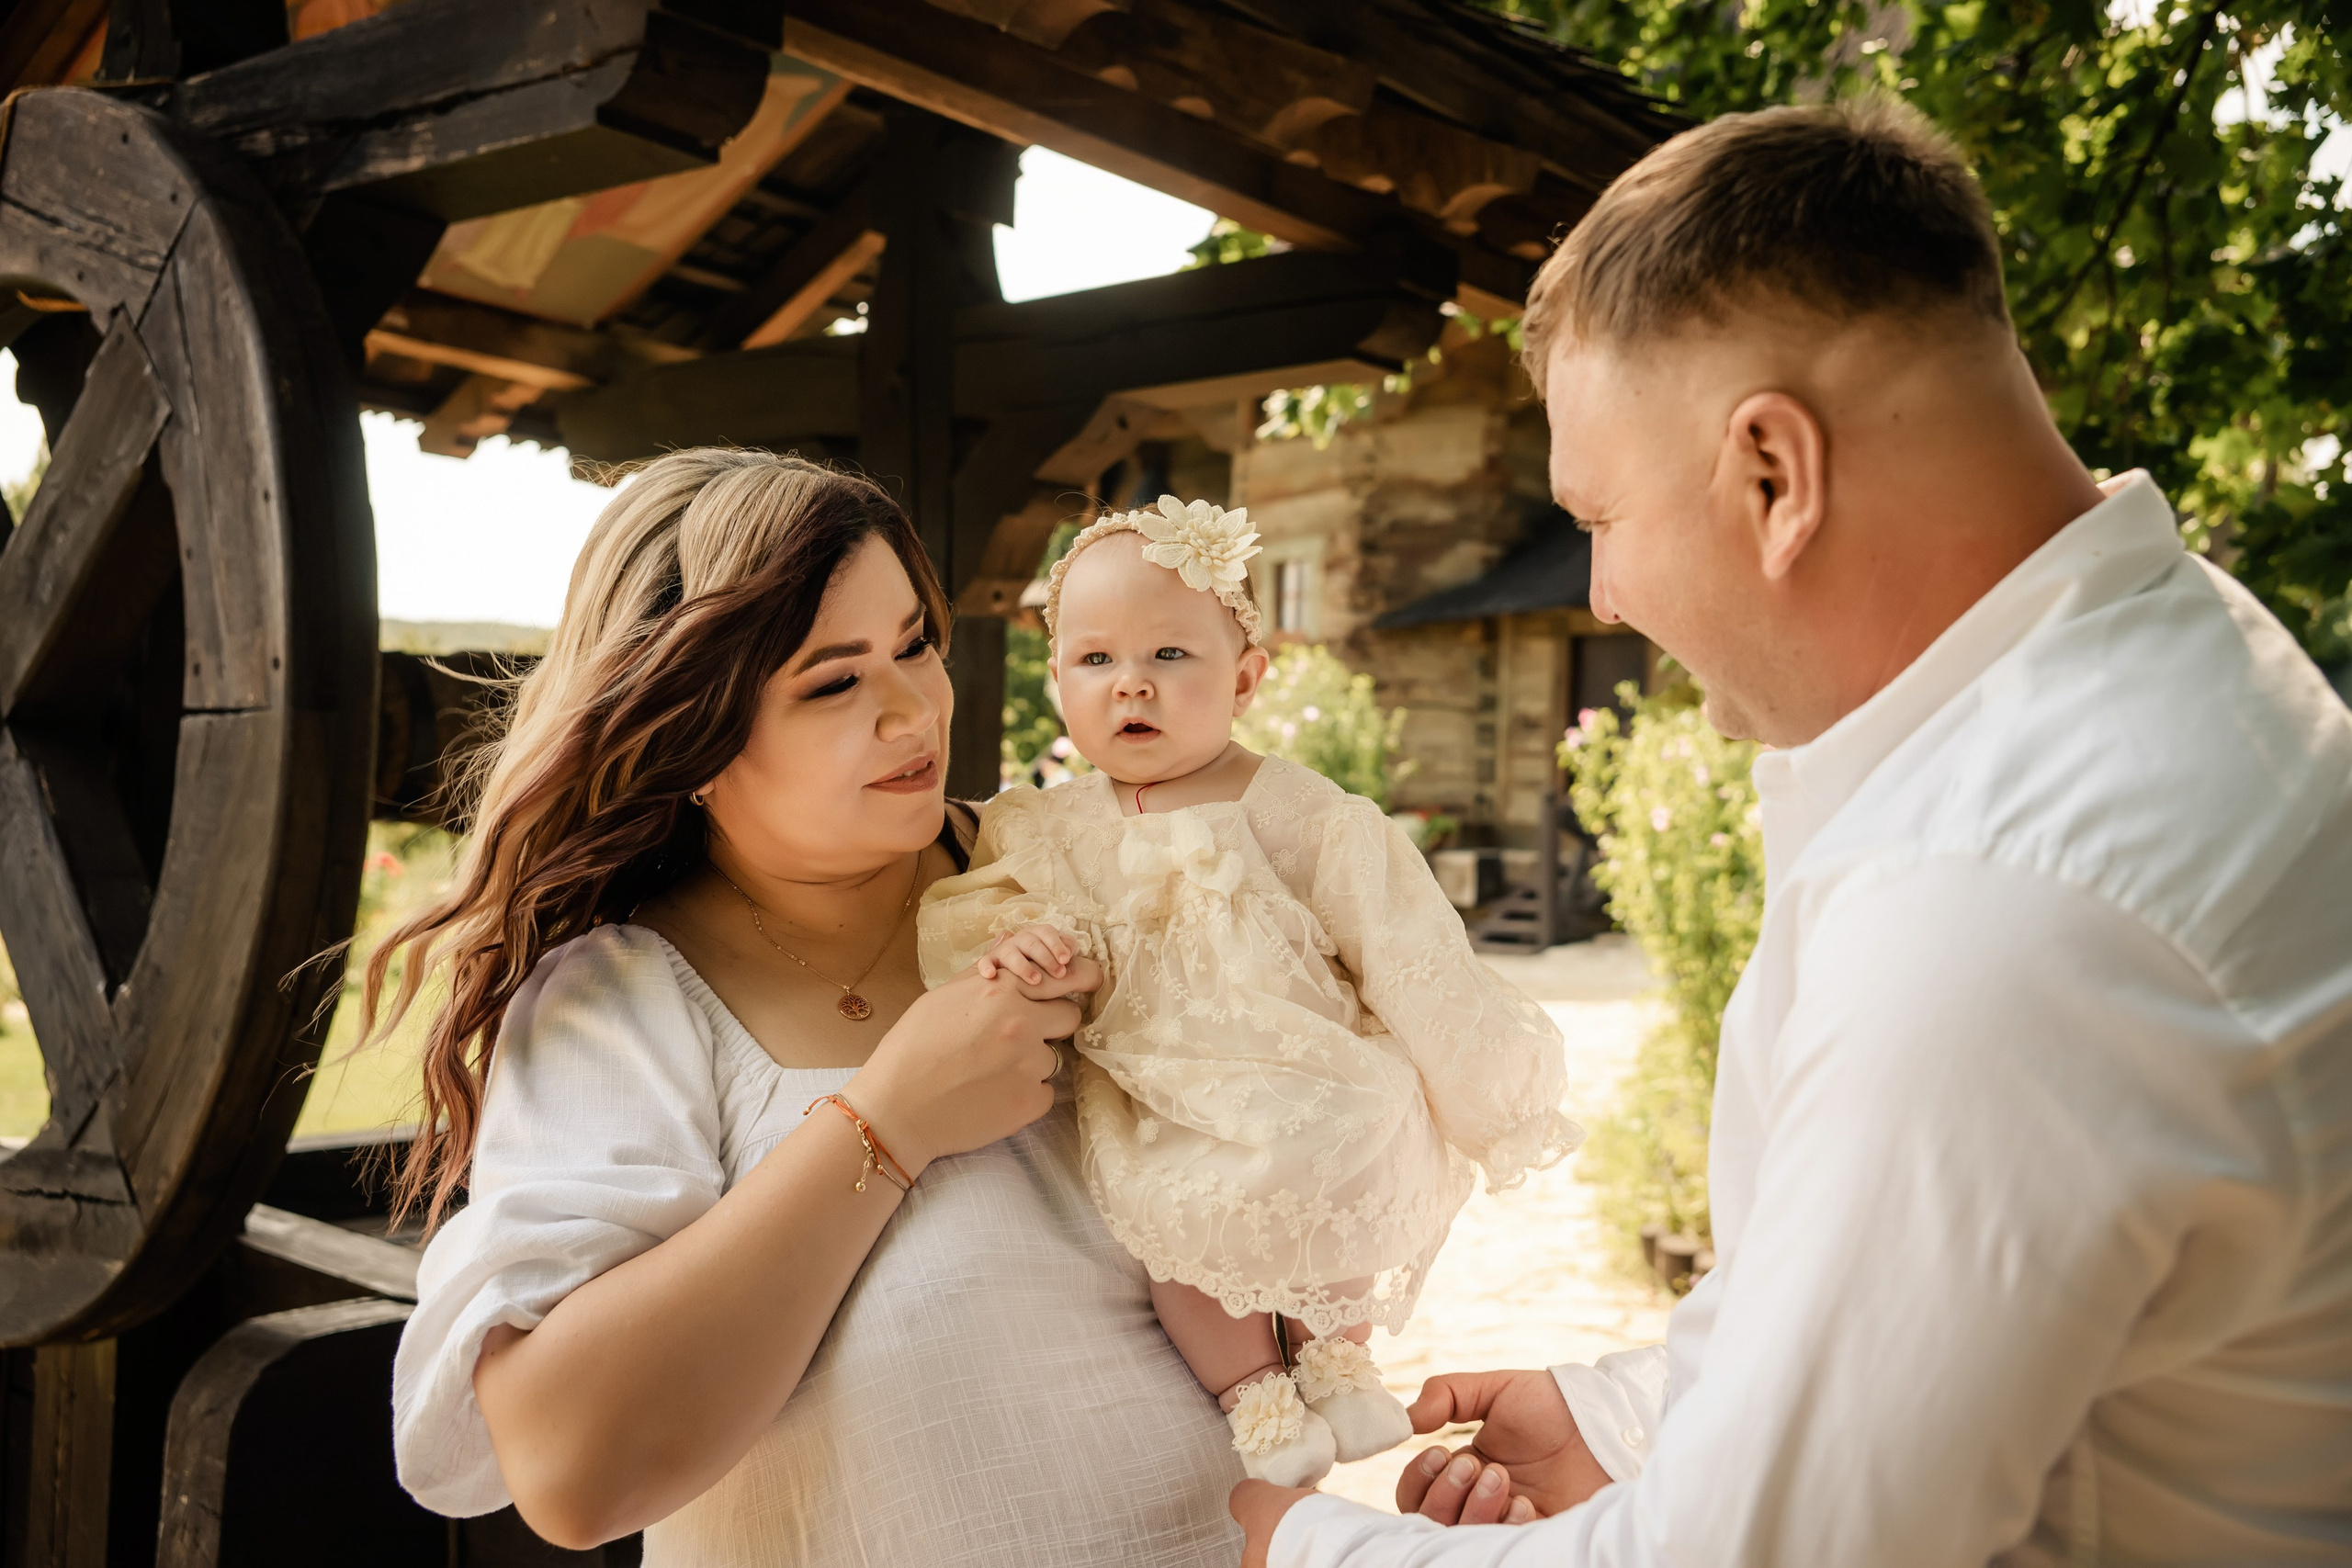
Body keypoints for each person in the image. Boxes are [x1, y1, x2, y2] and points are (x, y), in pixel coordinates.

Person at [1236, 97, 2352, 1566]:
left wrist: (1293, 1542)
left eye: (1601, 516)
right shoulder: (2174, 664)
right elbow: (1983, 1315)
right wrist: (1630, 1414)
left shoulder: (1998, 907)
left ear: (1774, 475)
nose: (1603, 596)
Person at [380, 450, 1247, 1564]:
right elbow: (572, 1472)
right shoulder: (622, 1007)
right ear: (690, 734)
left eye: (913, 646)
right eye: (833, 683)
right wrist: (887, 1123)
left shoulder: (1091, 867)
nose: (913, 710)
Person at [917, 500, 1579, 1488]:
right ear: (1056, 678)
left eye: (1169, 654)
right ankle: (1253, 1392)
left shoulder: (1300, 811)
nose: (1131, 682)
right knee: (1180, 1231)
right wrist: (1034, 950)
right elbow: (977, 918)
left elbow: (1406, 945)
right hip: (1164, 1088)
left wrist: (1486, 1084)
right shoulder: (1049, 827)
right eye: (1094, 659)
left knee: (1361, 1133)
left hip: (1306, 1062)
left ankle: (1335, 1351)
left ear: (1244, 678)